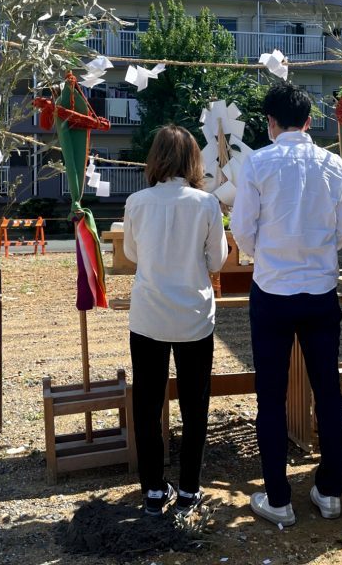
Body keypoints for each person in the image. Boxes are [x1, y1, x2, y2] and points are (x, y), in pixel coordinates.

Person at [230, 81, 342, 526]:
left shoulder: (258, 163)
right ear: (308, 121)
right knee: (328, 392)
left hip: (273, 290)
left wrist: (268, 252)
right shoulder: (334, 164)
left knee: (271, 397)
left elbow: (241, 229)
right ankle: (330, 491)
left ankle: (278, 497)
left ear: (270, 122)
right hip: (320, 291)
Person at [123, 125, 229, 516]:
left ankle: (152, 488)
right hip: (194, 316)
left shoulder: (137, 202)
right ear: (193, 160)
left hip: (148, 315)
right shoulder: (206, 204)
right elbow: (216, 261)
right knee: (194, 404)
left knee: (148, 404)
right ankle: (189, 488)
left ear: (155, 158)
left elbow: (133, 254)